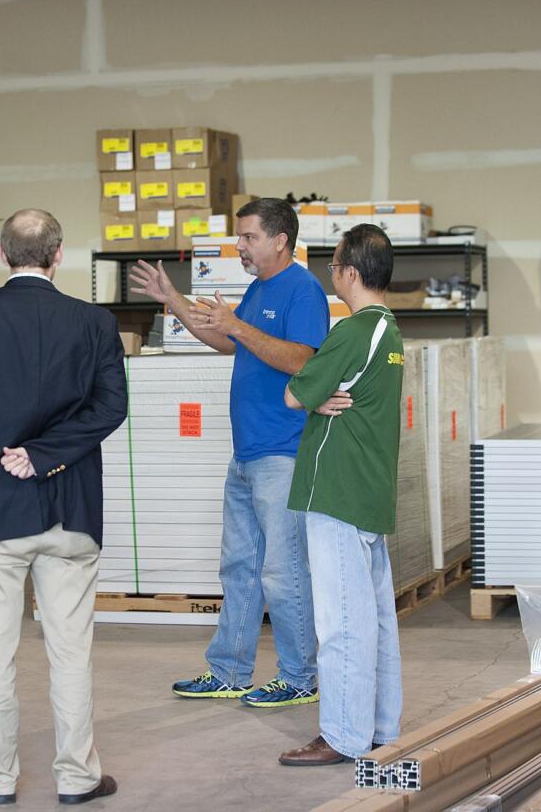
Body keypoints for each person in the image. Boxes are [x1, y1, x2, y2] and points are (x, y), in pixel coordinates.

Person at [0, 209, 125, 806]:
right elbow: (111, 409)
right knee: (70, 651)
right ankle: (79, 777)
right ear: (59, 255)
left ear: (2, 255)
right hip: (72, 511)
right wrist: (48, 455)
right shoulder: (93, 322)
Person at [129, 198, 328, 708]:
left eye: (249, 237)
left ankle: (300, 676)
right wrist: (172, 297)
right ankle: (231, 671)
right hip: (247, 453)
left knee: (283, 571)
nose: (240, 246)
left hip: (282, 451)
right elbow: (226, 342)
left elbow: (303, 359)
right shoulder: (261, 287)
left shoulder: (302, 290)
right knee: (240, 566)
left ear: (280, 240)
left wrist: (237, 325)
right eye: (239, 237)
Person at [278, 224, 404, 766]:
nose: (332, 277)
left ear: (350, 272)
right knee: (374, 620)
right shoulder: (391, 334)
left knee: (341, 623)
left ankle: (343, 736)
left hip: (337, 492)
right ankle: (379, 726)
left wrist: (314, 393)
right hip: (367, 491)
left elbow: (291, 394)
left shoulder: (354, 332)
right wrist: (322, 392)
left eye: (332, 268)